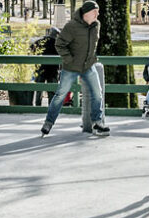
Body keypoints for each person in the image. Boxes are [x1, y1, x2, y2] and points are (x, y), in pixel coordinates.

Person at [42, 0, 110, 136]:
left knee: (98, 93)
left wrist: (92, 58)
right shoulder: (71, 26)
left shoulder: (97, 25)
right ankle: (48, 123)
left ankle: (98, 122)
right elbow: (60, 44)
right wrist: (69, 59)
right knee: (61, 95)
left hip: (88, 66)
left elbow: (93, 45)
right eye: (94, 12)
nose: (97, 14)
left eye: (98, 11)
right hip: (71, 67)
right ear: (86, 13)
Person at [31, 27, 61, 106]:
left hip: (40, 68)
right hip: (53, 70)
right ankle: (51, 105)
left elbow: (31, 49)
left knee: (39, 89)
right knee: (52, 89)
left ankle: (38, 105)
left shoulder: (40, 42)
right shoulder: (58, 44)